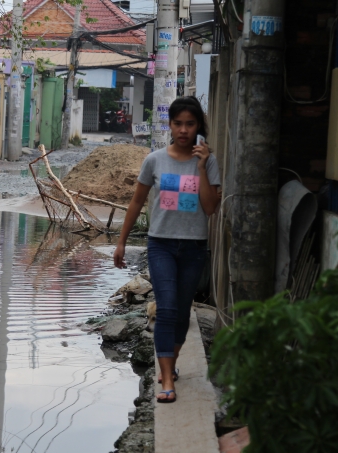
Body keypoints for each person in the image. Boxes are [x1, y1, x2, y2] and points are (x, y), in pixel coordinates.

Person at [113, 97, 221, 403]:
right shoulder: (155, 160)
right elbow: (136, 201)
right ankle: (167, 381)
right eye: (178, 124)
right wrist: (121, 242)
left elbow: (211, 208)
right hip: (160, 244)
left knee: (181, 311)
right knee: (167, 308)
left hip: (194, 247)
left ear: (199, 126)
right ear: (170, 125)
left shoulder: (209, 162)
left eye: (190, 124)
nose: (184, 130)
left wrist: (200, 166)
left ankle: (169, 366)